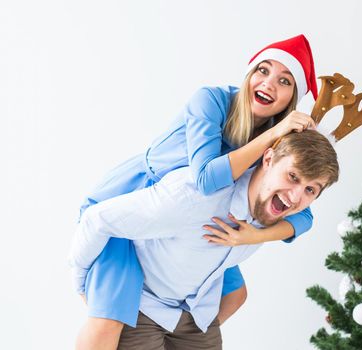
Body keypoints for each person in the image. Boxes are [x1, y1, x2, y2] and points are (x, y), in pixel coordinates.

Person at [74, 35, 320, 350]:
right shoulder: (213, 101)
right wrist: (273, 135)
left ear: (291, 98)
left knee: (234, 295)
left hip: (196, 220)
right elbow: (204, 179)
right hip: (137, 205)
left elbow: (305, 214)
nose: (269, 83)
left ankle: (167, 333)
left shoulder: (279, 138)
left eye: (284, 81)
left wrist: (251, 237)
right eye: (263, 70)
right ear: (249, 75)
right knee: (109, 318)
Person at [70, 130, 339, 350]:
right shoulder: (193, 199)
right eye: (292, 177)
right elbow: (97, 219)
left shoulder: (277, 212)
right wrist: (82, 283)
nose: (295, 196)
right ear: (267, 159)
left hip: (193, 311)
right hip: (144, 304)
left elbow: (305, 218)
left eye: (310, 190)